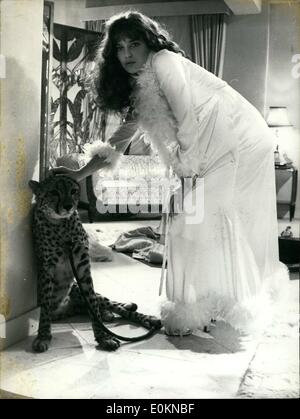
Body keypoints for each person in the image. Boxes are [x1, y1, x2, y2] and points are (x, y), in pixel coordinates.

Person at [53, 11, 289, 336]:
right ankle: (208, 307)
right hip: (209, 149)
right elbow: (119, 141)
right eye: (120, 48)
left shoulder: (164, 61)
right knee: (199, 221)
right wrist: (78, 175)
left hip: (235, 140)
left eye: (134, 44)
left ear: (149, 42)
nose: (127, 55)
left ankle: (200, 311)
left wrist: (187, 173)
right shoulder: (140, 87)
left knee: (195, 223)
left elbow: (188, 117)